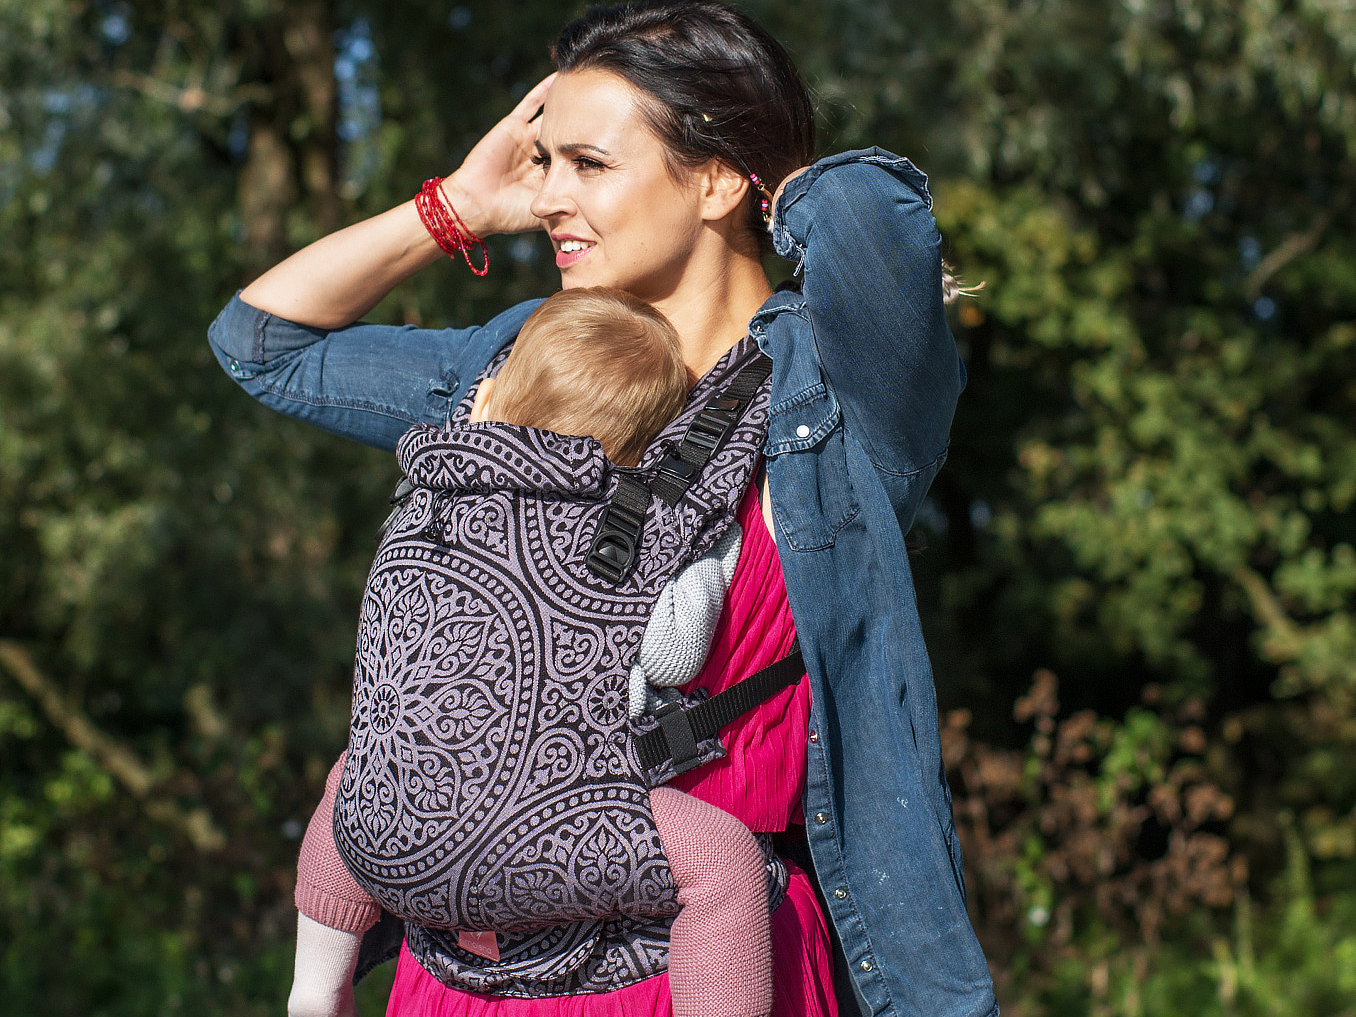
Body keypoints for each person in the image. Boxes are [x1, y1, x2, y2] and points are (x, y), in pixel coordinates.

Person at [207, 2, 1000, 1016]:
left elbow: (870, 219)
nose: (549, 199)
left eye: (586, 163)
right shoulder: (515, 359)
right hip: (466, 973)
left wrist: (770, 161)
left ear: (717, 178)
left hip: (713, 963)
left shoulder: (838, 389)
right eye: (545, 167)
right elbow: (260, 346)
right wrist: (456, 204)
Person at [286, 285, 771, 1017]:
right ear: (638, 451)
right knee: (724, 865)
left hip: (389, 840)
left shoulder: (421, 505)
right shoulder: (627, 531)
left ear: (488, 399)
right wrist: (713, 558)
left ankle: (314, 991)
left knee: (353, 775)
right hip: (545, 829)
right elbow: (672, 656)